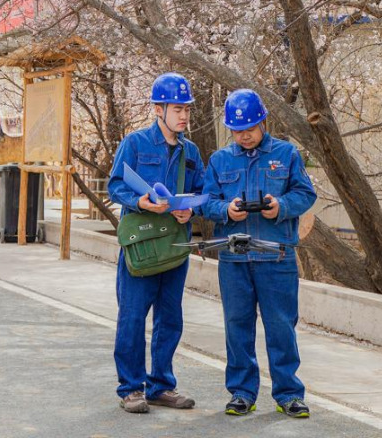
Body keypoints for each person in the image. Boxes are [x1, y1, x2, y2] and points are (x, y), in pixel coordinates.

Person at [200, 89, 316, 419]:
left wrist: (281, 207)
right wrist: (226, 210)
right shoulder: (220, 160)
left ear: (263, 121)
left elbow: (305, 194)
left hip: (276, 258)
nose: (244, 135)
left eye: (250, 128)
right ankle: (241, 392)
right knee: (237, 326)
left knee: (281, 327)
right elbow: (206, 203)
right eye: (238, 130)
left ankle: (289, 393)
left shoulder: (287, 154)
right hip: (234, 260)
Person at [107, 72, 205, 414]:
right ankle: (131, 388)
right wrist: (141, 202)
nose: (183, 116)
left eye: (187, 110)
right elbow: (116, 186)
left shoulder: (191, 151)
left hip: (175, 246)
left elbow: (202, 192)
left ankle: (161, 385)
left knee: (170, 317)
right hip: (142, 245)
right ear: (158, 109)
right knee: (132, 316)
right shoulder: (134, 144)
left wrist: (188, 211)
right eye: (177, 109)